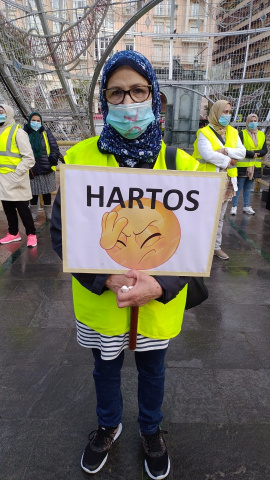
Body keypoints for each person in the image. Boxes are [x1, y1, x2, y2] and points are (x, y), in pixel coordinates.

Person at [51, 50, 199, 480]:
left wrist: (163, 286)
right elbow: (62, 236)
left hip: (157, 303)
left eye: (138, 90)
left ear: (154, 96)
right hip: (102, 301)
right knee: (105, 367)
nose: (128, 101)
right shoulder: (78, 160)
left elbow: (195, 246)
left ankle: (150, 429)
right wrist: (105, 277)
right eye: (117, 93)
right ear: (104, 102)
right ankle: (108, 425)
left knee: (154, 369)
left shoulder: (180, 164)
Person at [193, 99, 246, 260]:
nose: (227, 115)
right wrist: (230, 160)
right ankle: (199, 247)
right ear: (216, 112)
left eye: (229, 112)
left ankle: (216, 247)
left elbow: (242, 153)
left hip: (227, 181)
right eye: (224, 111)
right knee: (204, 216)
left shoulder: (233, 132)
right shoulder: (204, 133)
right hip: (209, 180)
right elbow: (207, 154)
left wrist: (224, 150)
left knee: (220, 217)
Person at [0, 104, 37, 248]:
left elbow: (29, 158)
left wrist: (17, 173)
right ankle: (13, 233)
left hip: (16, 177)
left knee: (23, 208)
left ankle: (31, 234)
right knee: (7, 207)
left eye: (1, 112)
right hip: (3, 178)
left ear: (8, 113)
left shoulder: (18, 132)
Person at [24, 112, 59, 221]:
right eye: (33, 120)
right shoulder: (25, 133)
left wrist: (52, 160)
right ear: (29, 121)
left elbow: (54, 147)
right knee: (33, 192)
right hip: (31, 168)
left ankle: (48, 213)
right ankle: (33, 213)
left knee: (46, 192)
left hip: (46, 167)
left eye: (38, 121)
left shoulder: (46, 133)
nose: (36, 122)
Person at [230, 113, 268, 216]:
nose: (253, 123)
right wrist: (252, 154)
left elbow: (265, 149)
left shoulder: (261, 134)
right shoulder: (242, 133)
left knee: (248, 188)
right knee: (238, 186)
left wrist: (258, 153)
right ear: (247, 122)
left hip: (254, 167)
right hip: (243, 166)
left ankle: (246, 206)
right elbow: (239, 148)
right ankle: (234, 206)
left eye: (255, 121)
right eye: (251, 121)